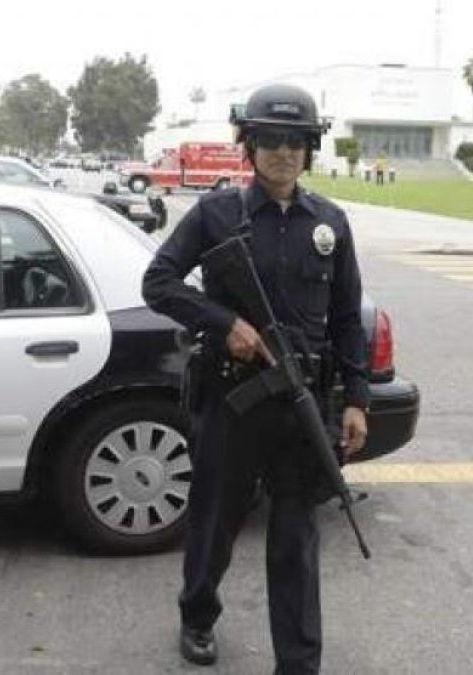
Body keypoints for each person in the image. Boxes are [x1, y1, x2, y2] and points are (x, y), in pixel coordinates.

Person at [141, 83, 369, 674]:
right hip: (233, 399)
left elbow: (347, 319)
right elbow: (158, 282)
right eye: (270, 139)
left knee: (296, 539)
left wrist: (357, 401)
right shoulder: (217, 215)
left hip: (303, 404)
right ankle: (196, 615)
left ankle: (298, 662)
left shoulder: (331, 223)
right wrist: (225, 324)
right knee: (215, 523)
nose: (283, 152)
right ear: (249, 144)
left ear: (310, 149)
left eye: (296, 141)